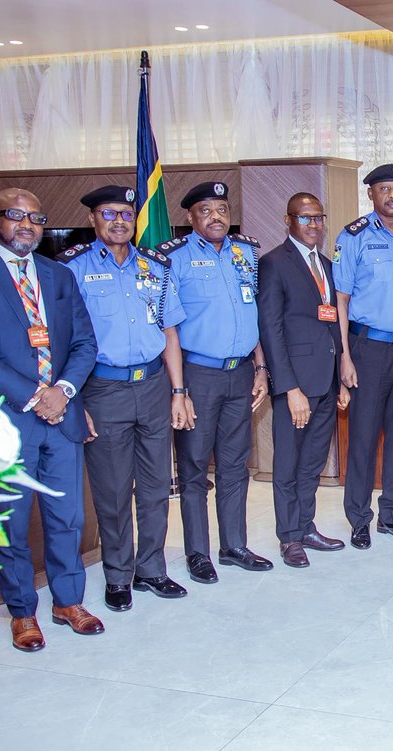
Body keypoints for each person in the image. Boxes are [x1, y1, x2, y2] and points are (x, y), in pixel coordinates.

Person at [0, 188, 102, 652]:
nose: (27, 225)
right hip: (8, 419)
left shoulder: (58, 275)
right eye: (16, 216)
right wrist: (36, 396)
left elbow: (85, 343)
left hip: (62, 416)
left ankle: (68, 601)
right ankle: (23, 612)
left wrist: (64, 391)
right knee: (11, 522)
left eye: (36, 217)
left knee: (66, 516)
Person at [59, 184, 192, 612]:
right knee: (113, 490)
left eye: (125, 214)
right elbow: (64, 342)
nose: (119, 221)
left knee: (155, 486)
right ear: (93, 220)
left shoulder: (156, 266)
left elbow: (170, 332)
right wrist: (75, 400)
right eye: (109, 214)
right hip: (103, 388)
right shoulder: (72, 269)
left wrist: (178, 391)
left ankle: (151, 569)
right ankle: (118, 575)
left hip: (153, 385)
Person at [159, 181, 272, 584]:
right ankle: (197, 553)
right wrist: (179, 389)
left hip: (241, 372)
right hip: (198, 375)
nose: (216, 217)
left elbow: (252, 313)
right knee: (192, 469)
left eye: (221, 209)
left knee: (234, 465)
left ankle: (233, 546)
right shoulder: (173, 258)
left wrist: (261, 367)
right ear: (190, 218)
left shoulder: (246, 253)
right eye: (205, 210)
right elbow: (168, 326)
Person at [333, 163, 393, 550]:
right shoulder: (353, 236)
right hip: (367, 349)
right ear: (371, 194)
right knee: (363, 438)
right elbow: (340, 300)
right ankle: (359, 518)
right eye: (385, 189)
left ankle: (392, 515)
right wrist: (344, 356)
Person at [257, 192, 350, 568]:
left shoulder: (326, 265)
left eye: (318, 218)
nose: (314, 225)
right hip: (295, 387)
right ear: (288, 220)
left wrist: (341, 376)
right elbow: (271, 329)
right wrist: (289, 388)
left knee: (312, 462)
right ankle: (289, 537)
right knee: (288, 465)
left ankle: (306, 526)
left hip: (326, 383)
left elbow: (332, 325)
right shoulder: (274, 264)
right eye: (305, 218)